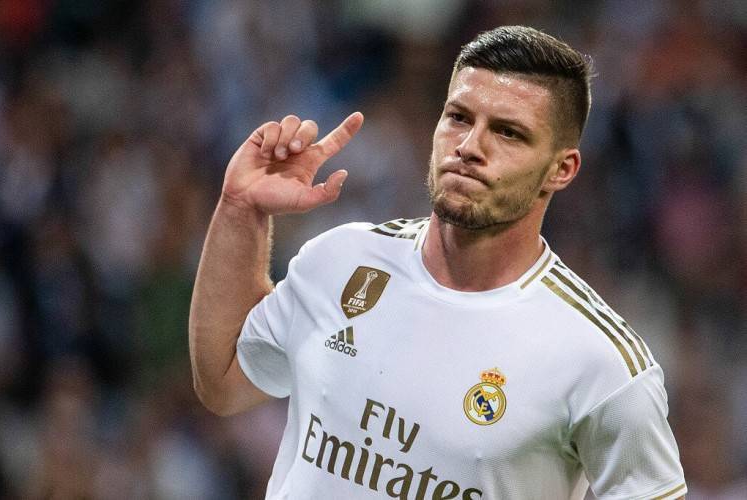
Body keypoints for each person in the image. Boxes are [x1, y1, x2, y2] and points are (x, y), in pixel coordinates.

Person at [189, 25, 687, 499]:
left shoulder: (601, 361)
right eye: (459, 118)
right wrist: (240, 208)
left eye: (508, 132)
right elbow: (223, 382)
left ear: (561, 169)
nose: (469, 147)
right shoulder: (340, 261)